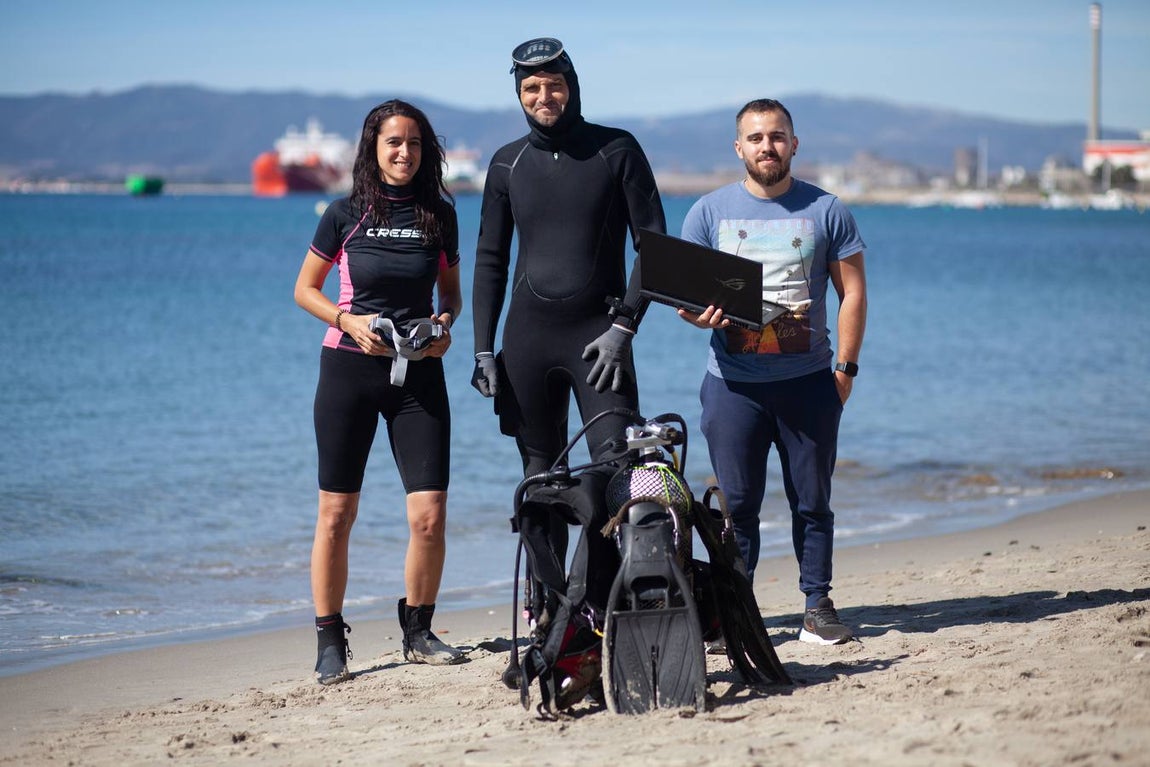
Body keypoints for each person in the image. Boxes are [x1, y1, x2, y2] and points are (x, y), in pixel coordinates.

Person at [678, 98, 867, 645]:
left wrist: (845, 371)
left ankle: (818, 606)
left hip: (808, 383)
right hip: (732, 385)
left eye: (778, 136)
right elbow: (685, 302)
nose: (768, 146)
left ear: (794, 144)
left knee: (813, 500)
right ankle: (735, 608)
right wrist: (698, 315)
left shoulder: (827, 210)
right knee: (736, 506)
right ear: (739, 147)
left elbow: (852, 292)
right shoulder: (708, 213)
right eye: (756, 138)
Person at [294, 99, 465, 685]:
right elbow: (305, 290)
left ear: (426, 152)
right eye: (393, 142)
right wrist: (348, 322)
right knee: (336, 513)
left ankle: (418, 629)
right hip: (348, 370)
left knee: (430, 515)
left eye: (414, 143)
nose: (404, 153)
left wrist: (443, 329)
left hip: (418, 375)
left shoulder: (439, 215)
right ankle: (329, 638)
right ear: (373, 148)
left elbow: (452, 298)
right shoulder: (344, 215)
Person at [470, 37, 666, 490]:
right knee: (540, 484)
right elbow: (490, 260)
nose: (544, 97)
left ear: (572, 86)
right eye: (531, 88)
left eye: (554, 85)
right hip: (526, 343)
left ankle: (604, 565)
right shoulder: (506, 163)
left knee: (615, 472)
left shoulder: (617, 149)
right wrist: (483, 351)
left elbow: (655, 247)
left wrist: (624, 328)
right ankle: (548, 567)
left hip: (600, 342)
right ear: (519, 95)